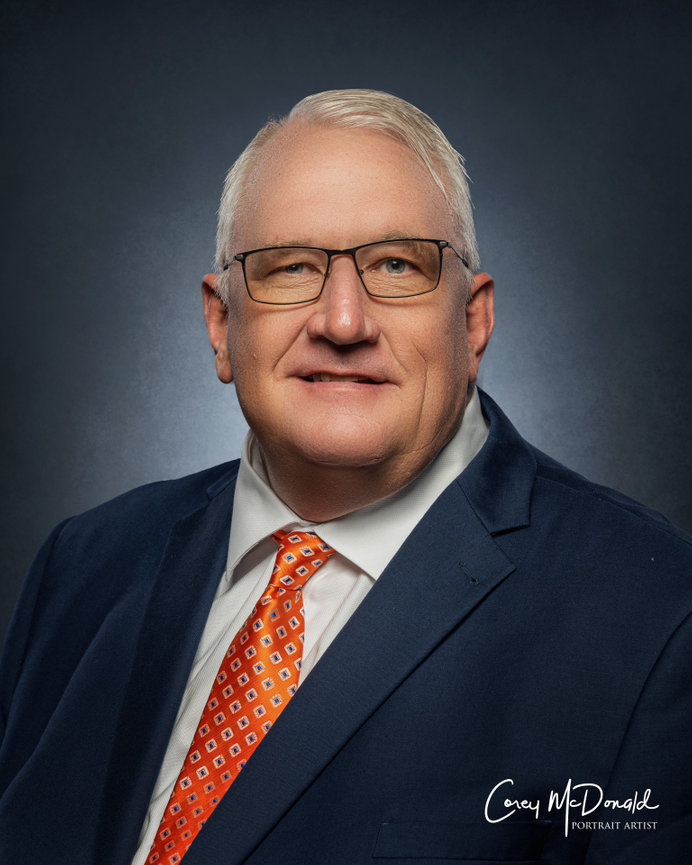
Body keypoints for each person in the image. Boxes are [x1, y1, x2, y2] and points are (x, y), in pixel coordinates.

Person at [0, 89, 690, 865]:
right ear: (221, 324)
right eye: (290, 266)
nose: (342, 322)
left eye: (397, 265)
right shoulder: (81, 567)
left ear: (474, 321)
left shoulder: (653, 618)